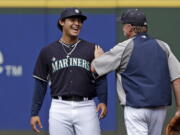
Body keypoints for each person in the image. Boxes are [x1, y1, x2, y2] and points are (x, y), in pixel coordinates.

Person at [91, 9, 180, 135]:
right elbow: (177, 79)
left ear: (129, 28)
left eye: (124, 25)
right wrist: (179, 109)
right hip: (160, 110)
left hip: (136, 109)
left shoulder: (124, 47)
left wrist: (98, 57)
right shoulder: (163, 46)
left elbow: (95, 68)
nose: (123, 29)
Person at [30, 7, 108, 135]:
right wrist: (34, 113)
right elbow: (40, 83)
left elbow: (101, 78)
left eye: (80, 21)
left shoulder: (92, 49)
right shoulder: (47, 51)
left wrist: (103, 100)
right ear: (62, 22)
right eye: (72, 20)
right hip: (59, 107)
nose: (77, 24)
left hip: (86, 106)